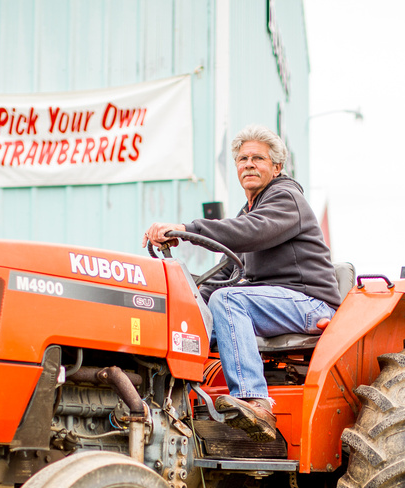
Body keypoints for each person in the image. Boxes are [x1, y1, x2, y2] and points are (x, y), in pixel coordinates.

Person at [144, 124, 341, 442]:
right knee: (202, 303)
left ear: (276, 167)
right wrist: (185, 297)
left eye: (258, 158)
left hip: (307, 301)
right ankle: (168, 401)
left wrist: (187, 228)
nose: (249, 164)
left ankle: (255, 400)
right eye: (243, 158)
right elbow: (226, 272)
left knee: (227, 299)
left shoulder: (286, 198)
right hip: (271, 300)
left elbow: (248, 231)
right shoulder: (250, 210)